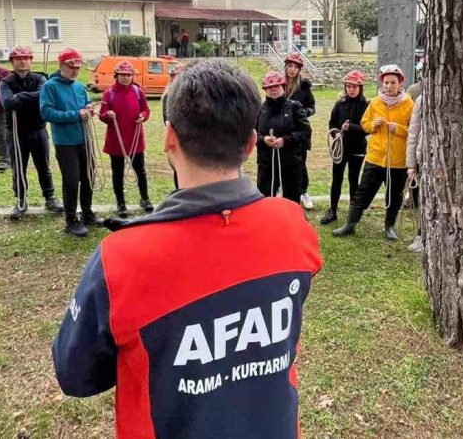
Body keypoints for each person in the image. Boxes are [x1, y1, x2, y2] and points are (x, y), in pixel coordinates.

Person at [52, 59, 323, 438]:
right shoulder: (293, 225)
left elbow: (76, 375)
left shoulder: (122, 257)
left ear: (169, 139)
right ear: (250, 143)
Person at [332, 65, 414, 240]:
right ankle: (350, 224)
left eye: (393, 82)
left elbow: (414, 131)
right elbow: (364, 124)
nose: (389, 86)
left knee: (394, 194)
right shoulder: (375, 102)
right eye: (386, 82)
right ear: (382, 83)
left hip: (397, 160)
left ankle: (389, 226)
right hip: (375, 158)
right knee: (363, 191)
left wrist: (398, 129)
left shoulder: (409, 104)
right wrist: (373, 125)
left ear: (400, 83)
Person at [0, 45, 64, 219]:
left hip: (38, 130)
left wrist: (19, 97)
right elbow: (7, 103)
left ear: (30, 60)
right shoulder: (5, 82)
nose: (23, 61)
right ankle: (21, 201)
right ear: (12, 62)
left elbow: (44, 96)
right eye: (19, 58)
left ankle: (50, 198)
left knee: (44, 166)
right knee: (18, 168)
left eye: (26, 58)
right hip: (16, 133)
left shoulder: (40, 78)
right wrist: (31, 97)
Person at [40, 48, 99, 236]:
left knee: (89, 177)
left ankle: (87, 213)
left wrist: (89, 107)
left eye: (77, 68)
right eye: (70, 67)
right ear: (61, 65)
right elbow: (47, 112)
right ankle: (71, 220)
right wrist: (76, 114)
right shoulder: (50, 86)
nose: (74, 71)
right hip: (66, 143)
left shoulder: (80, 87)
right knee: (72, 181)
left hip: (85, 140)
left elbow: (86, 102)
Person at [98, 60, 153, 217]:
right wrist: (108, 115)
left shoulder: (137, 91)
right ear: (117, 75)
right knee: (118, 173)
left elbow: (146, 110)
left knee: (140, 170)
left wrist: (143, 116)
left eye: (129, 75)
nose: (126, 78)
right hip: (116, 140)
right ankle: (121, 203)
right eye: (122, 75)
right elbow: (102, 114)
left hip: (135, 139)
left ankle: (145, 198)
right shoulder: (109, 93)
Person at [319, 70, 368, 226]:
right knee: (337, 179)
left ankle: (353, 214)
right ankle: (333, 210)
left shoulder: (366, 105)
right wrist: (336, 134)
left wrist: (351, 128)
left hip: (357, 148)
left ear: (360, 88)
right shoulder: (340, 103)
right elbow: (332, 123)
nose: (351, 89)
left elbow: (367, 128)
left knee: (354, 180)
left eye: (354, 86)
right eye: (348, 86)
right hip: (341, 148)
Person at [255, 70, 311, 202]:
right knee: (265, 200)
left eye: (276, 86)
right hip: (266, 164)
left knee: (291, 200)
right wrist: (263, 139)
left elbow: (305, 131)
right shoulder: (260, 109)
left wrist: (285, 140)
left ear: (283, 87)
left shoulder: (294, 107)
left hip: (290, 162)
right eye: (270, 87)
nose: (273, 89)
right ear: (265, 89)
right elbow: (252, 134)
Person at [283, 52, 317, 209]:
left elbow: (312, 107)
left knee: (300, 162)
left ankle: (303, 192)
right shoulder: (279, 84)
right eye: (289, 66)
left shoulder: (304, 86)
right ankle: (281, 191)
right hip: (281, 130)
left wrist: (303, 112)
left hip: (299, 131)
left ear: (299, 70)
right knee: (282, 162)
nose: (291, 70)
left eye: (295, 67)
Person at [404, 91, 426, 253]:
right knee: (420, 199)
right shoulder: (421, 99)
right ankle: (421, 234)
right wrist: (411, 164)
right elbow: (413, 132)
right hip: (422, 159)